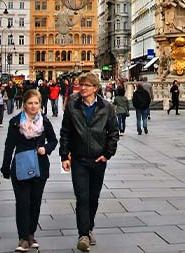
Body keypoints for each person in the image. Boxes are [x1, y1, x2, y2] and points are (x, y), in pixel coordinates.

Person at [59, 72, 119, 251]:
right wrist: (64, 155)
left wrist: (107, 154)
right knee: (82, 197)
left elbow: (113, 132)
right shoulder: (72, 106)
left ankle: (89, 227)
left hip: (98, 159)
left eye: (87, 85)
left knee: (93, 197)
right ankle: (83, 234)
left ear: (95, 88)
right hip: (78, 159)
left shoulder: (106, 107)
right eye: (81, 85)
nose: (82, 88)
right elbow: (65, 132)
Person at [3, 89, 58, 252]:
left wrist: (46, 149)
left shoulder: (45, 122)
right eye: (30, 103)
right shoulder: (15, 122)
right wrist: (6, 166)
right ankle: (23, 238)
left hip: (40, 165)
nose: (33, 106)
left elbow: (54, 140)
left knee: (35, 202)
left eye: (36, 103)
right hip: (21, 166)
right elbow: (9, 146)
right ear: (24, 105)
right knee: (22, 203)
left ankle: (31, 234)